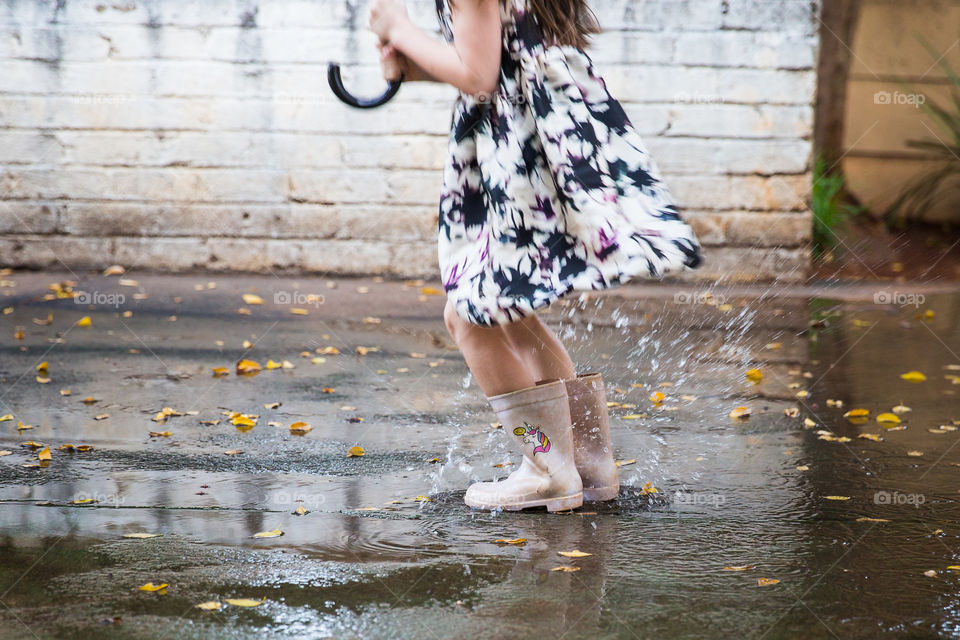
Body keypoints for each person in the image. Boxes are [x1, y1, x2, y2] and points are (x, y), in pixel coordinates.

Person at [369, 0, 702, 512]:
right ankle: (588, 463)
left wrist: (402, 29)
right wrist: (411, 64)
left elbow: (478, 77)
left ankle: (547, 468)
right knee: (508, 314)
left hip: (520, 158)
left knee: (470, 315)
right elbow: (501, 61)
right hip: (543, 143)